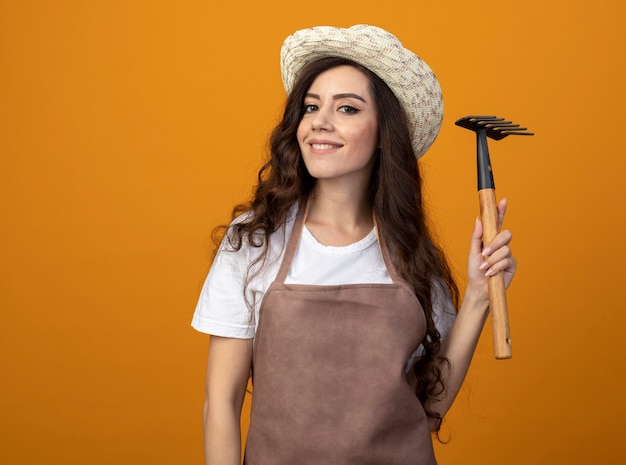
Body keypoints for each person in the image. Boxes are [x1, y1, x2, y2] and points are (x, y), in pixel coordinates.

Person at [192, 24, 516, 465]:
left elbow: (427, 412)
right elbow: (221, 406)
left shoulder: (411, 254)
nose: (320, 122)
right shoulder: (255, 240)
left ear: (385, 132)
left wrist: (479, 295)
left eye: (346, 108)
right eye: (310, 107)